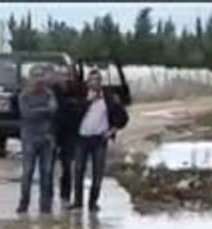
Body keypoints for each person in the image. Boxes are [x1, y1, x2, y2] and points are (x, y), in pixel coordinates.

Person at [71, 68, 129, 212]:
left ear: (101, 82)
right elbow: (73, 115)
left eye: (97, 80)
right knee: (78, 171)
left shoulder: (109, 98)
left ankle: (93, 203)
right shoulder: (82, 96)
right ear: (87, 82)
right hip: (82, 139)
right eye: (91, 80)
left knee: (98, 173)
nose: (94, 83)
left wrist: (112, 131)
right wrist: (88, 101)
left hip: (99, 140)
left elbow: (123, 117)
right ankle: (78, 202)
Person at [17, 64, 58, 214]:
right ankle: (24, 203)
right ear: (30, 79)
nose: (39, 80)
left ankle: (45, 205)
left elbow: (54, 110)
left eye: (41, 76)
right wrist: (44, 110)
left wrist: (39, 110)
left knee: (46, 173)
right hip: (29, 138)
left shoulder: (49, 94)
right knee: (27, 172)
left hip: (47, 138)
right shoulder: (24, 95)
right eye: (35, 76)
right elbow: (27, 114)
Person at [51, 66, 86, 207]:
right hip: (55, 132)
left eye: (69, 75)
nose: (67, 78)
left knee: (70, 167)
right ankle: (50, 195)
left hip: (73, 133)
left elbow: (83, 108)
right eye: (63, 75)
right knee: (50, 166)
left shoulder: (80, 90)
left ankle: (68, 196)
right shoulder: (53, 91)